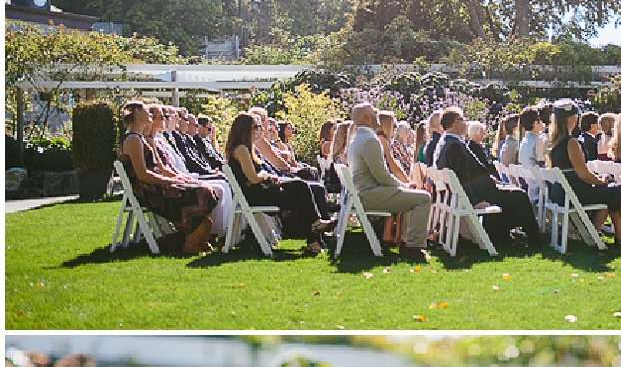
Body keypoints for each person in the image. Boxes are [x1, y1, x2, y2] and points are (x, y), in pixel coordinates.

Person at [226, 113, 334, 256]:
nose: (259, 130)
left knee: (300, 188)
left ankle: (314, 238)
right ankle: (315, 231)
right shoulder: (241, 149)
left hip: (259, 190)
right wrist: (268, 176)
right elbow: (253, 178)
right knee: (300, 192)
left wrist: (273, 178)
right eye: (256, 127)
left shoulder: (246, 148)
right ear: (245, 129)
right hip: (255, 194)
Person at [435, 108, 541, 247]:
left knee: (512, 192)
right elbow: (462, 177)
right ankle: (535, 238)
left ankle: (499, 234)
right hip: (480, 193)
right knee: (520, 196)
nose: (466, 123)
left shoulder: (446, 142)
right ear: (456, 123)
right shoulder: (454, 145)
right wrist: (474, 202)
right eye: (463, 119)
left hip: (480, 189)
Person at [119, 102, 215, 255]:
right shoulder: (133, 140)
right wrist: (172, 181)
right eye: (146, 111)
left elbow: (162, 168)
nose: (150, 114)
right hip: (147, 189)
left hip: (155, 183)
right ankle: (190, 242)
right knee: (201, 192)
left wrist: (180, 179)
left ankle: (198, 239)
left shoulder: (141, 138)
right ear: (137, 113)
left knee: (204, 188)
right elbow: (143, 175)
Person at [546, 102, 621, 245]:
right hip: (576, 193)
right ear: (571, 118)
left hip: (561, 193)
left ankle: (620, 235)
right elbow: (583, 174)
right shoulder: (571, 143)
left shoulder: (554, 143)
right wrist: (601, 181)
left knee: (613, 191)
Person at [346, 104, 431, 257]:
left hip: (364, 194)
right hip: (371, 195)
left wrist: (404, 188)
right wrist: (403, 185)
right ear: (367, 118)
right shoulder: (369, 140)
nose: (377, 117)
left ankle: (406, 243)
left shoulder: (356, 139)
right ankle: (413, 247)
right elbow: (382, 176)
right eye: (374, 114)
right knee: (424, 198)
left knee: (411, 196)